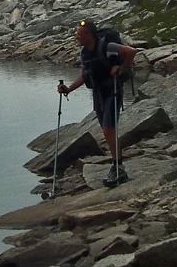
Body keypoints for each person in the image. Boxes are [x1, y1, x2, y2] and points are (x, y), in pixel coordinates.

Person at [57, 20, 138, 187]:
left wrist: (122, 69)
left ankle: (118, 167)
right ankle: (117, 167)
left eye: (79, 34)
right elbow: (84, 75)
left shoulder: (107, 46)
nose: (76, 37)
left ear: (88, 35)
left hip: (113, 91)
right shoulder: (84, 53)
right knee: (107, 130)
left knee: (109, 129)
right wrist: (68, 89)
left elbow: (131, 51)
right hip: (98, 94)